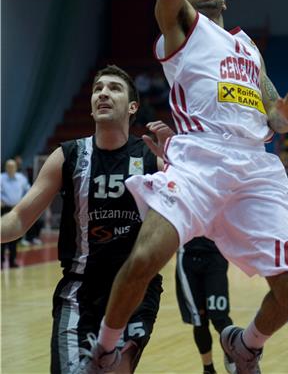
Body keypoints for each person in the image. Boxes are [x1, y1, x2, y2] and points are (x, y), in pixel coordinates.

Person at [83, 0, 288, 374]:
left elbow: (273, 119)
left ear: (224, 0)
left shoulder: (248, 48)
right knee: (146, 256)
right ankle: (107, 350)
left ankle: (246, 346)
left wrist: (284, 115)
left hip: (255, 166)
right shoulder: (183, 29)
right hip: (201, 158)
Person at [0, 65, 170, 374]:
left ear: (133, 107)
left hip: (135, 289)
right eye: (97, 89)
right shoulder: (68, 156)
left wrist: (180, 165)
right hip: (80, 291)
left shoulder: (153, 159)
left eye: (114, 88)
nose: (103, 93)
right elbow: (17, 220)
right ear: (91, 106)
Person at [176, 237, 235, 374]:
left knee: (220, 318)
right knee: (199, 319)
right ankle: (208, 369)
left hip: (215, 254)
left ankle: (232, 354)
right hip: (187, 256)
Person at [1, 159, 30, 268]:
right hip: (4, 209)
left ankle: (12, 261)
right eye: (8, 166)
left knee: (14, 235)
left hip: (17, 210)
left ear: (16, 167)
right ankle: (1, 260)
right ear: (6, 167)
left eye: (12, 166)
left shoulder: (21, 179)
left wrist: (23, 203)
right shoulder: (1, 178)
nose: (11, 168)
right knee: (2, 235)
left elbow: (28, 191)